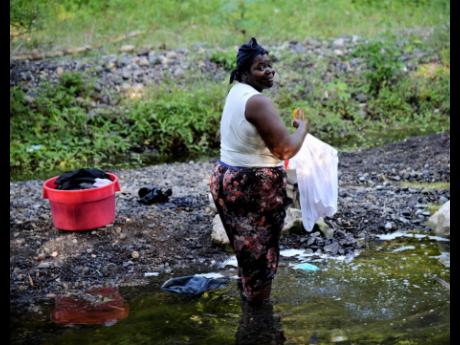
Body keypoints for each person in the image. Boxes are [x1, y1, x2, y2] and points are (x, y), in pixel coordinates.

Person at [210, 37, 309, 304]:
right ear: (244, 72)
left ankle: (249, 313)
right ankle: (259, 322)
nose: (268, 71)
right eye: (260, 67)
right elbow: (285, 151)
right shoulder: (258, 103)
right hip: (254, 187)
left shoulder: (236, 93)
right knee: (262, 260)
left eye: (270, 66)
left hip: (226, 178)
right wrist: (302, 128)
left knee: (247, 254)